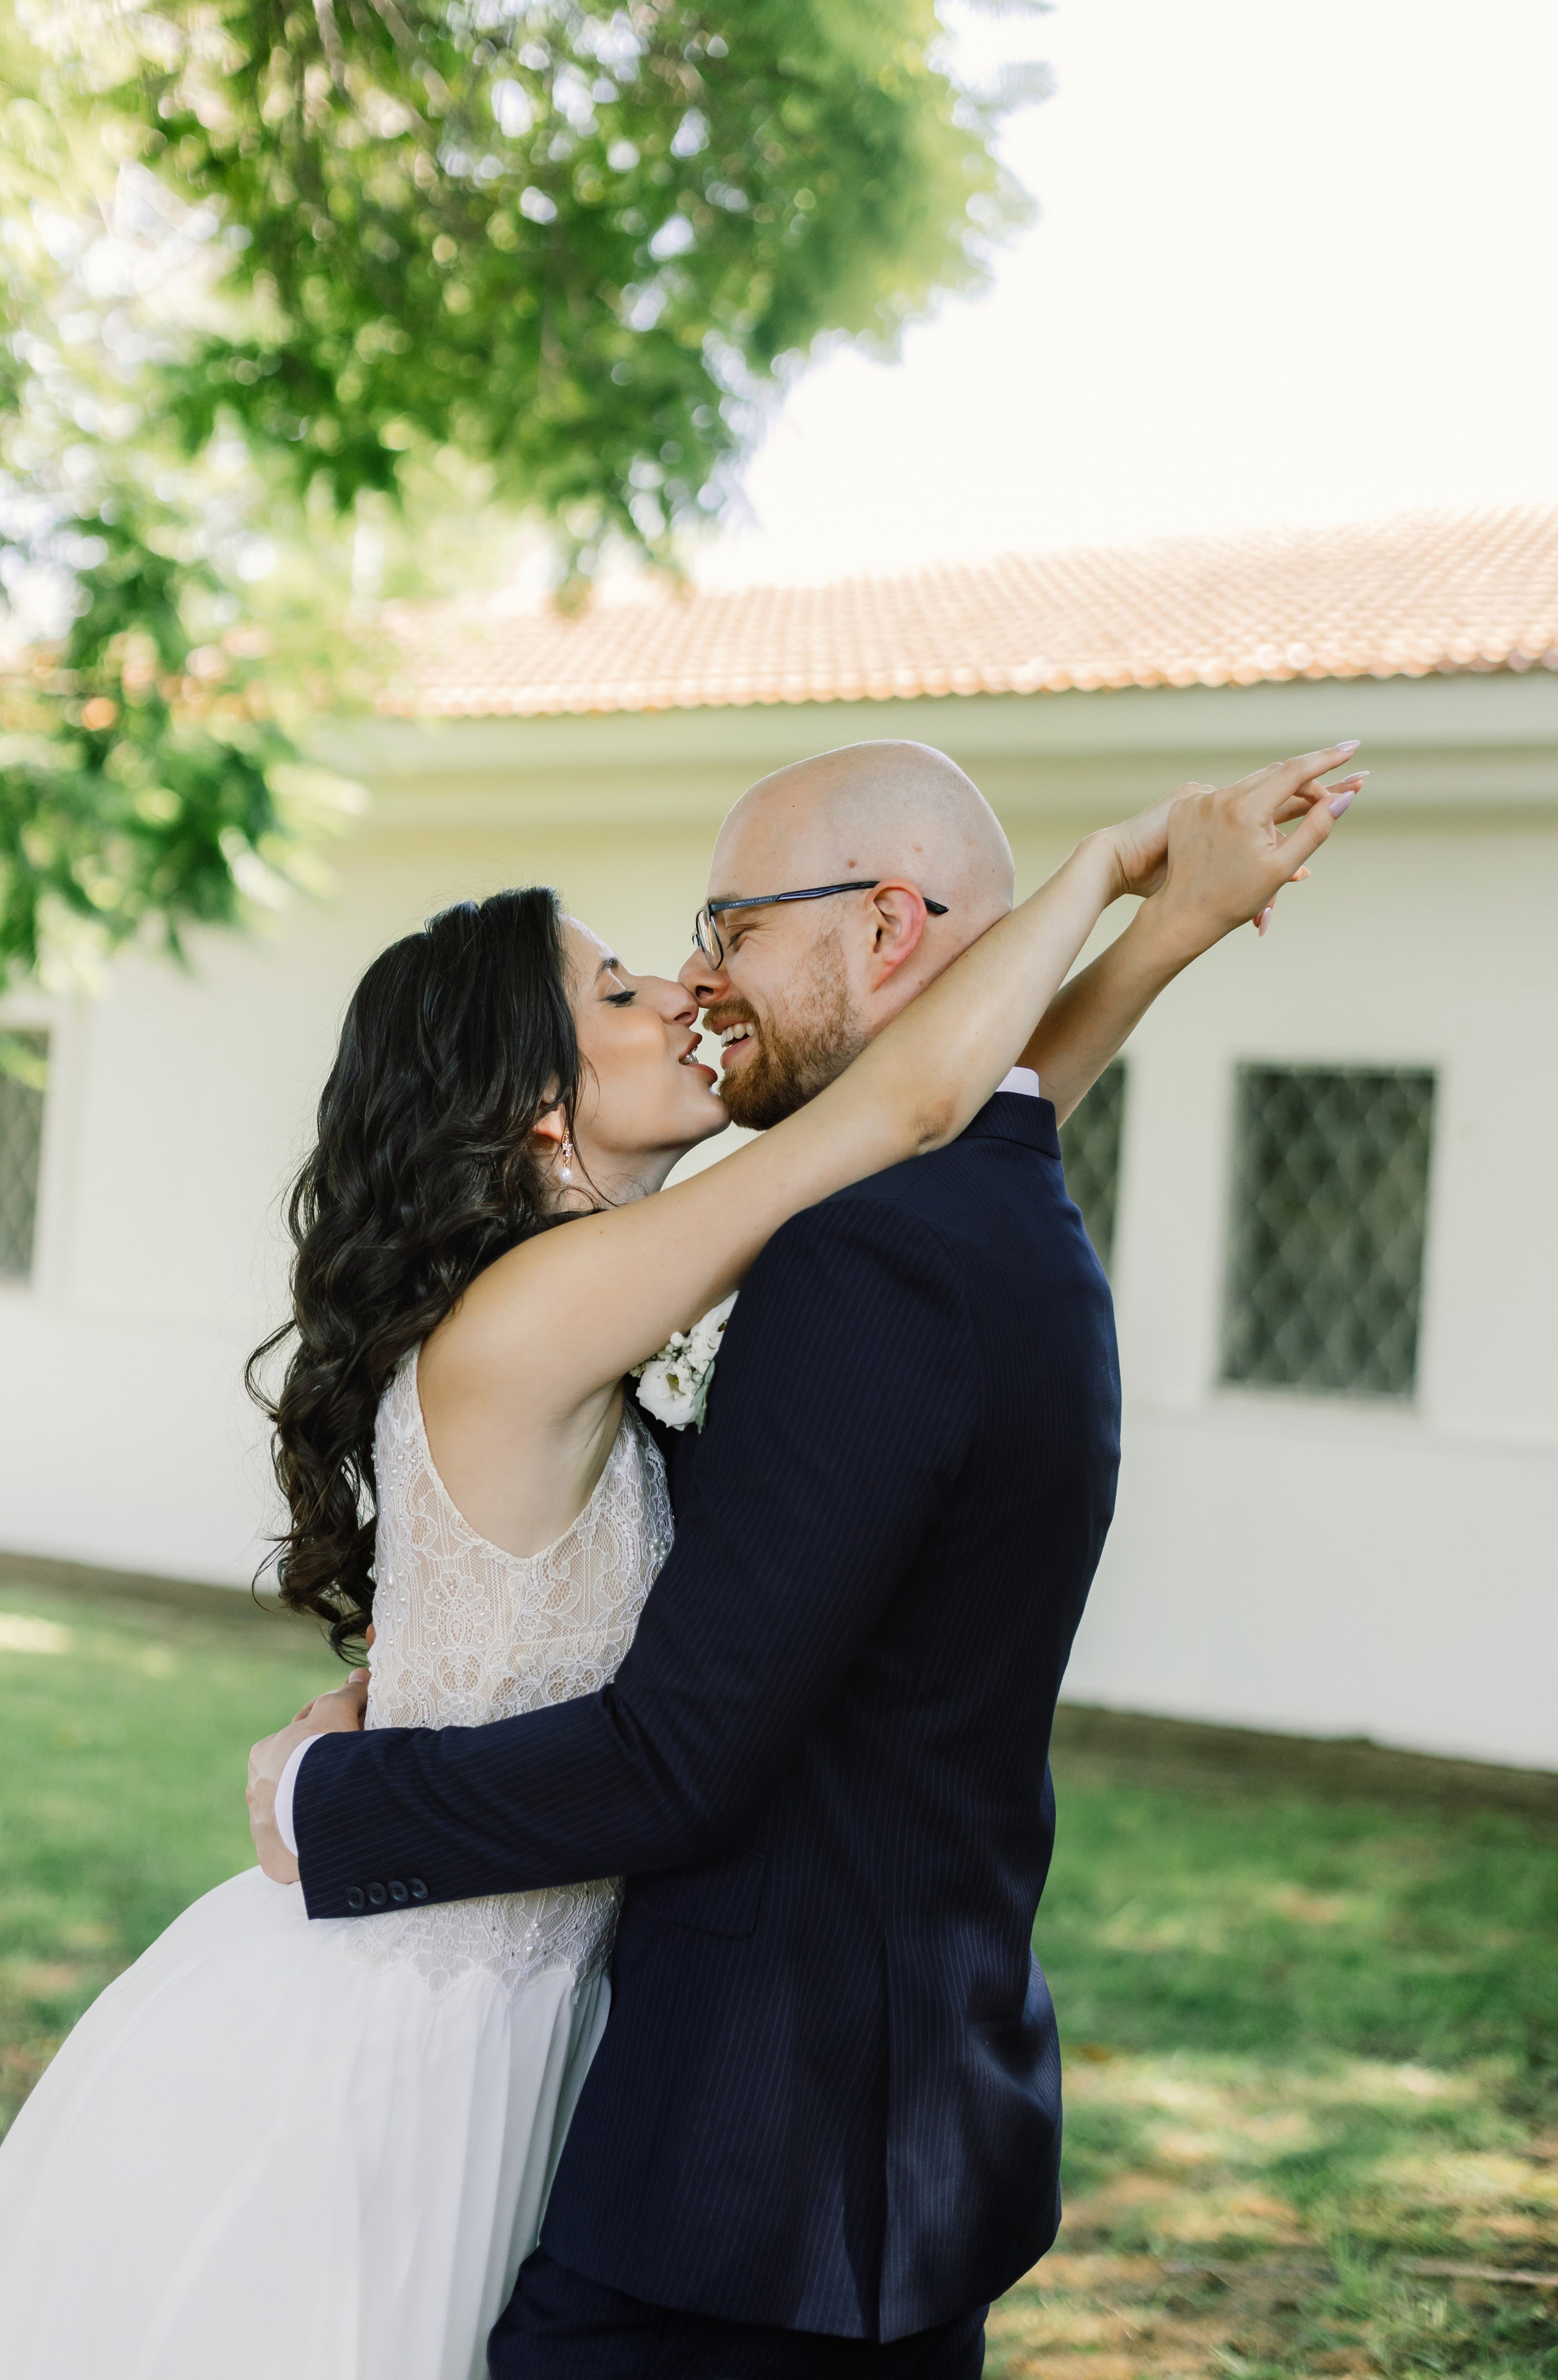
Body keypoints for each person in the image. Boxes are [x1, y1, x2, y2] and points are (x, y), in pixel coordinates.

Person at [0, 738, 1358, 2380]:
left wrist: (1149, 922)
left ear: (879, 926)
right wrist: (1122, 875)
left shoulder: (694, 1272)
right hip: (424, 2020)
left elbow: (963, 1116)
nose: (693, 990)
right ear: (539, 1108)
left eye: (711, 940)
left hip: (576, 2025)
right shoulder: (545, 1313)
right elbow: (917, 1114)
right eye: (634, 989)